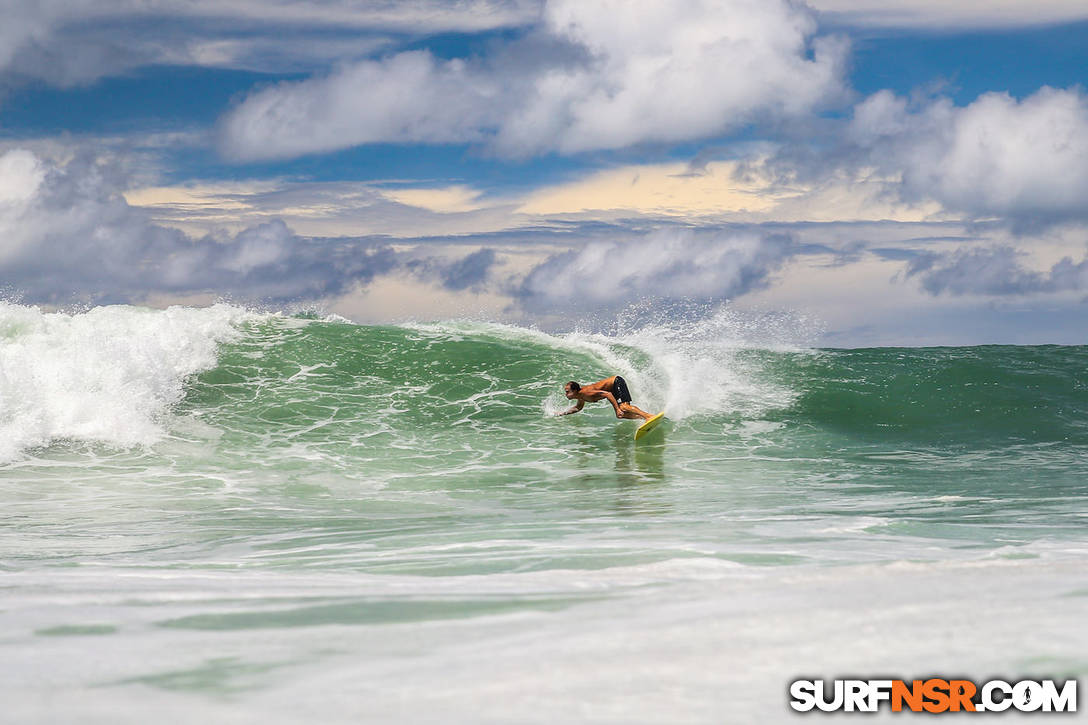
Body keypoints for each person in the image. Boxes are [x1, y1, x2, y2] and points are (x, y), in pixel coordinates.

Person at [557, 376, 653, 421]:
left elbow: (608, 394)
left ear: (574, 391)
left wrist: (617, 409)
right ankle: (643, 418)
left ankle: (648, 416)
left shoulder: (586, 393)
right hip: (613, 388)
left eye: (567, 391)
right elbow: (578, 408)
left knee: (623, 407)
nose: (566, 394)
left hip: (616, 382)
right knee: (621, 415)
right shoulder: (580, 396)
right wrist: (563, 413)